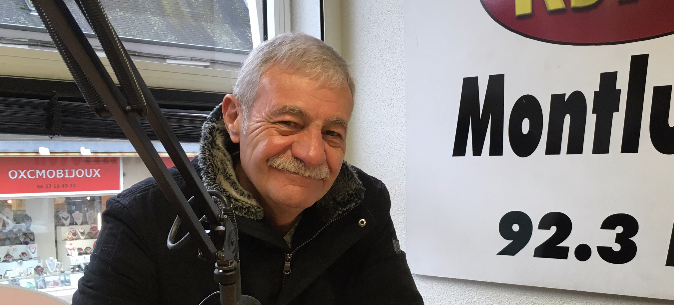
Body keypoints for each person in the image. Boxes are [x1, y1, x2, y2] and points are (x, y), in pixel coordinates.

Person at [72, 33, 423, 305]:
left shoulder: (362, 206)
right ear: (235, 118)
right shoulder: (142, 218)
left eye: (332, 133)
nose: (313, 154)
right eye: (288, 123)